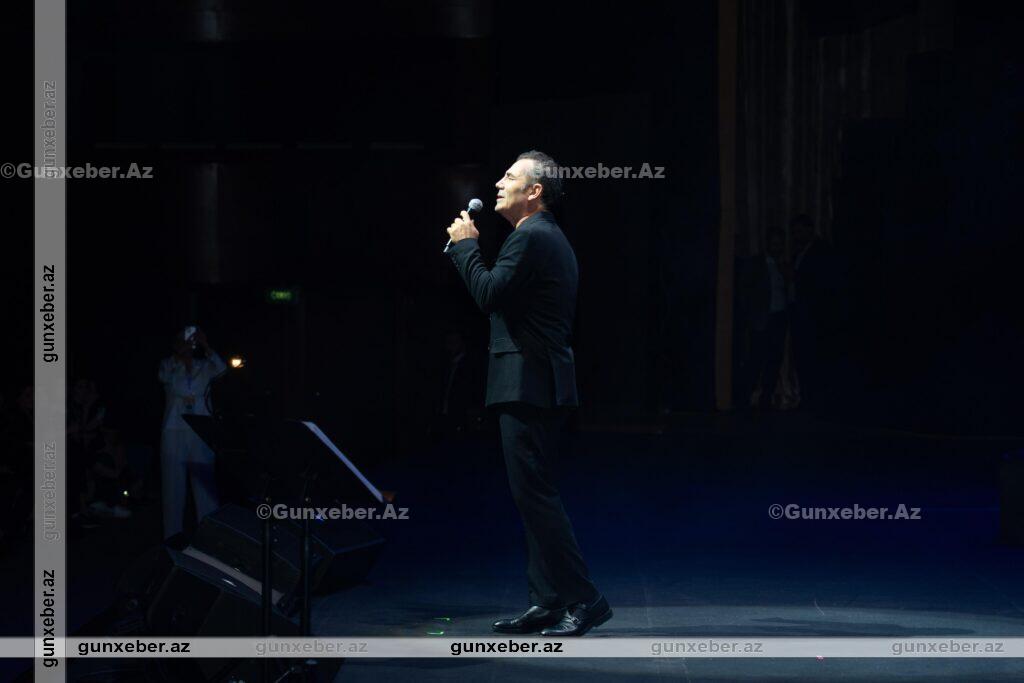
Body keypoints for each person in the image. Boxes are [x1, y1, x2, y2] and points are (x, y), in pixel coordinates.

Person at [445, 150, 611, 637]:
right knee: (533, 495)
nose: (499, 183)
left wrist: (465, 248)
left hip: (529, 384)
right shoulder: (542, 235)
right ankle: (547, 599)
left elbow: (488, 294)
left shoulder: (531, 236)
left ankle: (584, 599)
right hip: (538, 383)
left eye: (510, 176)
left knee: (535, 496)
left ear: (535, 191)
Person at [158, 327, 226, 538]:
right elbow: (163, 377)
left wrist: (206, 345)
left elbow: (222, 370)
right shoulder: (168, 364)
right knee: (173, 485)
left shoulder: (204, 365)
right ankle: (173, 536)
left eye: (191, 340)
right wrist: (178, 356)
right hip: (174, 430)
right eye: (183, 341)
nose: (188, 344)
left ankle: (209, 535)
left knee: (204, 482)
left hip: (200, 429)